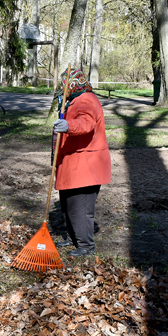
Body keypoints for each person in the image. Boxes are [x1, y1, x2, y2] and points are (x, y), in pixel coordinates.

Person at [52, 68, 111, 257]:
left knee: (81, 206)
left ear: (73, 83)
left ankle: (86, 246)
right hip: (74, 162)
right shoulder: (74, 100)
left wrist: (69, 126)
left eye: (65, 84)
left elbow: (86, 123)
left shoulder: (86, 99)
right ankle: (73, 238)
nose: (63, 88)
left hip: (86, 164)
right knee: (69, 203)